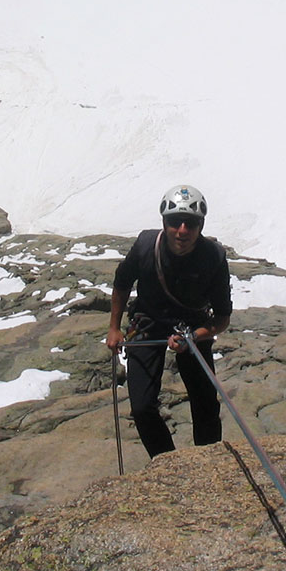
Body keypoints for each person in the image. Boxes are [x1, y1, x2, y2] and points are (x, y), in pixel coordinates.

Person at [107, 185, 233, 458]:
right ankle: (169, 461)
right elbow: (122, 283)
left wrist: (196, 336)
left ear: (201, 225)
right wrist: (114, 328)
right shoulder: (145, 246)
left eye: (192, 223)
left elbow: (222, 318)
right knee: (141, 407)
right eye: (175, 222)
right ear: (164, 223)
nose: (182, 230)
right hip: (147, 320)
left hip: (193, 327)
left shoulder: (214, 258)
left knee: (205, 404)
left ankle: (209, 462)